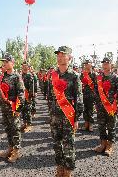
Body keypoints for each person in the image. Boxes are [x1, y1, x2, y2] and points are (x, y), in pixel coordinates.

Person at [48, 46, 83, 177]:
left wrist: (76, 119)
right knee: (57, 144)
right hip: (54, 116)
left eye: (63, 55)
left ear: (70, 57)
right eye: (58, 55)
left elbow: (79, 99)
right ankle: (59, 170)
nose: (60, 57)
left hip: (68, 117)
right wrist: (50, 113)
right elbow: (49, 96)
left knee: (69, 146)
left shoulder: (74, 76)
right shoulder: (53, 75)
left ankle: (67, 172)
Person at [0, 54, 25, 163]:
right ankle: (10, 148)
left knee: (15, 129)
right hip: (4, 108)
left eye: (6, 61)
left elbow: (21, 94)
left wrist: (18, 109)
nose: (4, 63)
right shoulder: (3, 76)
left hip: (13, 109)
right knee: (8, 129)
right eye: (3, 62)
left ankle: (16, 151)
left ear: (12, 63)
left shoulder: (16, 76)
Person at [94, 57, 118, 156]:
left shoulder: (116, 78)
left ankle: (109, 146)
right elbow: (96, 92)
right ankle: (103, 144)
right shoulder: (98, 77)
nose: (105, 65)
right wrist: (96, 103)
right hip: (101, 106)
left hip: (111, 107)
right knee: (101, 126)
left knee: (111, 126)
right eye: (103, 63)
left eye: (107, 63)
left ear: (111, 65)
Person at [80, 59, 96, 132]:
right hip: (84, 94)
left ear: (91, 64)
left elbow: (96, 86)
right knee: (85, 110)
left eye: (87, 63)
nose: (86, 65)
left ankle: (91, 124)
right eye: (85, 64)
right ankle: (86, 123)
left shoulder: (94, 74)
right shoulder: (82, 74)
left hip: (91, 95)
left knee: (91, 110)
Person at [21, 61, 35, 133]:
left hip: (27, 96)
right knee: (23, 110)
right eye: (23, 66)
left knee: (28, 110)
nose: (24, 67)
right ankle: (24, 123)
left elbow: (31, 88)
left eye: (25, 66)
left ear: (28, 67)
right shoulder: (21, 75)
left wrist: (30, 97)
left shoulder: (29, 75)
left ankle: (29, 125)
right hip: (22, 96)